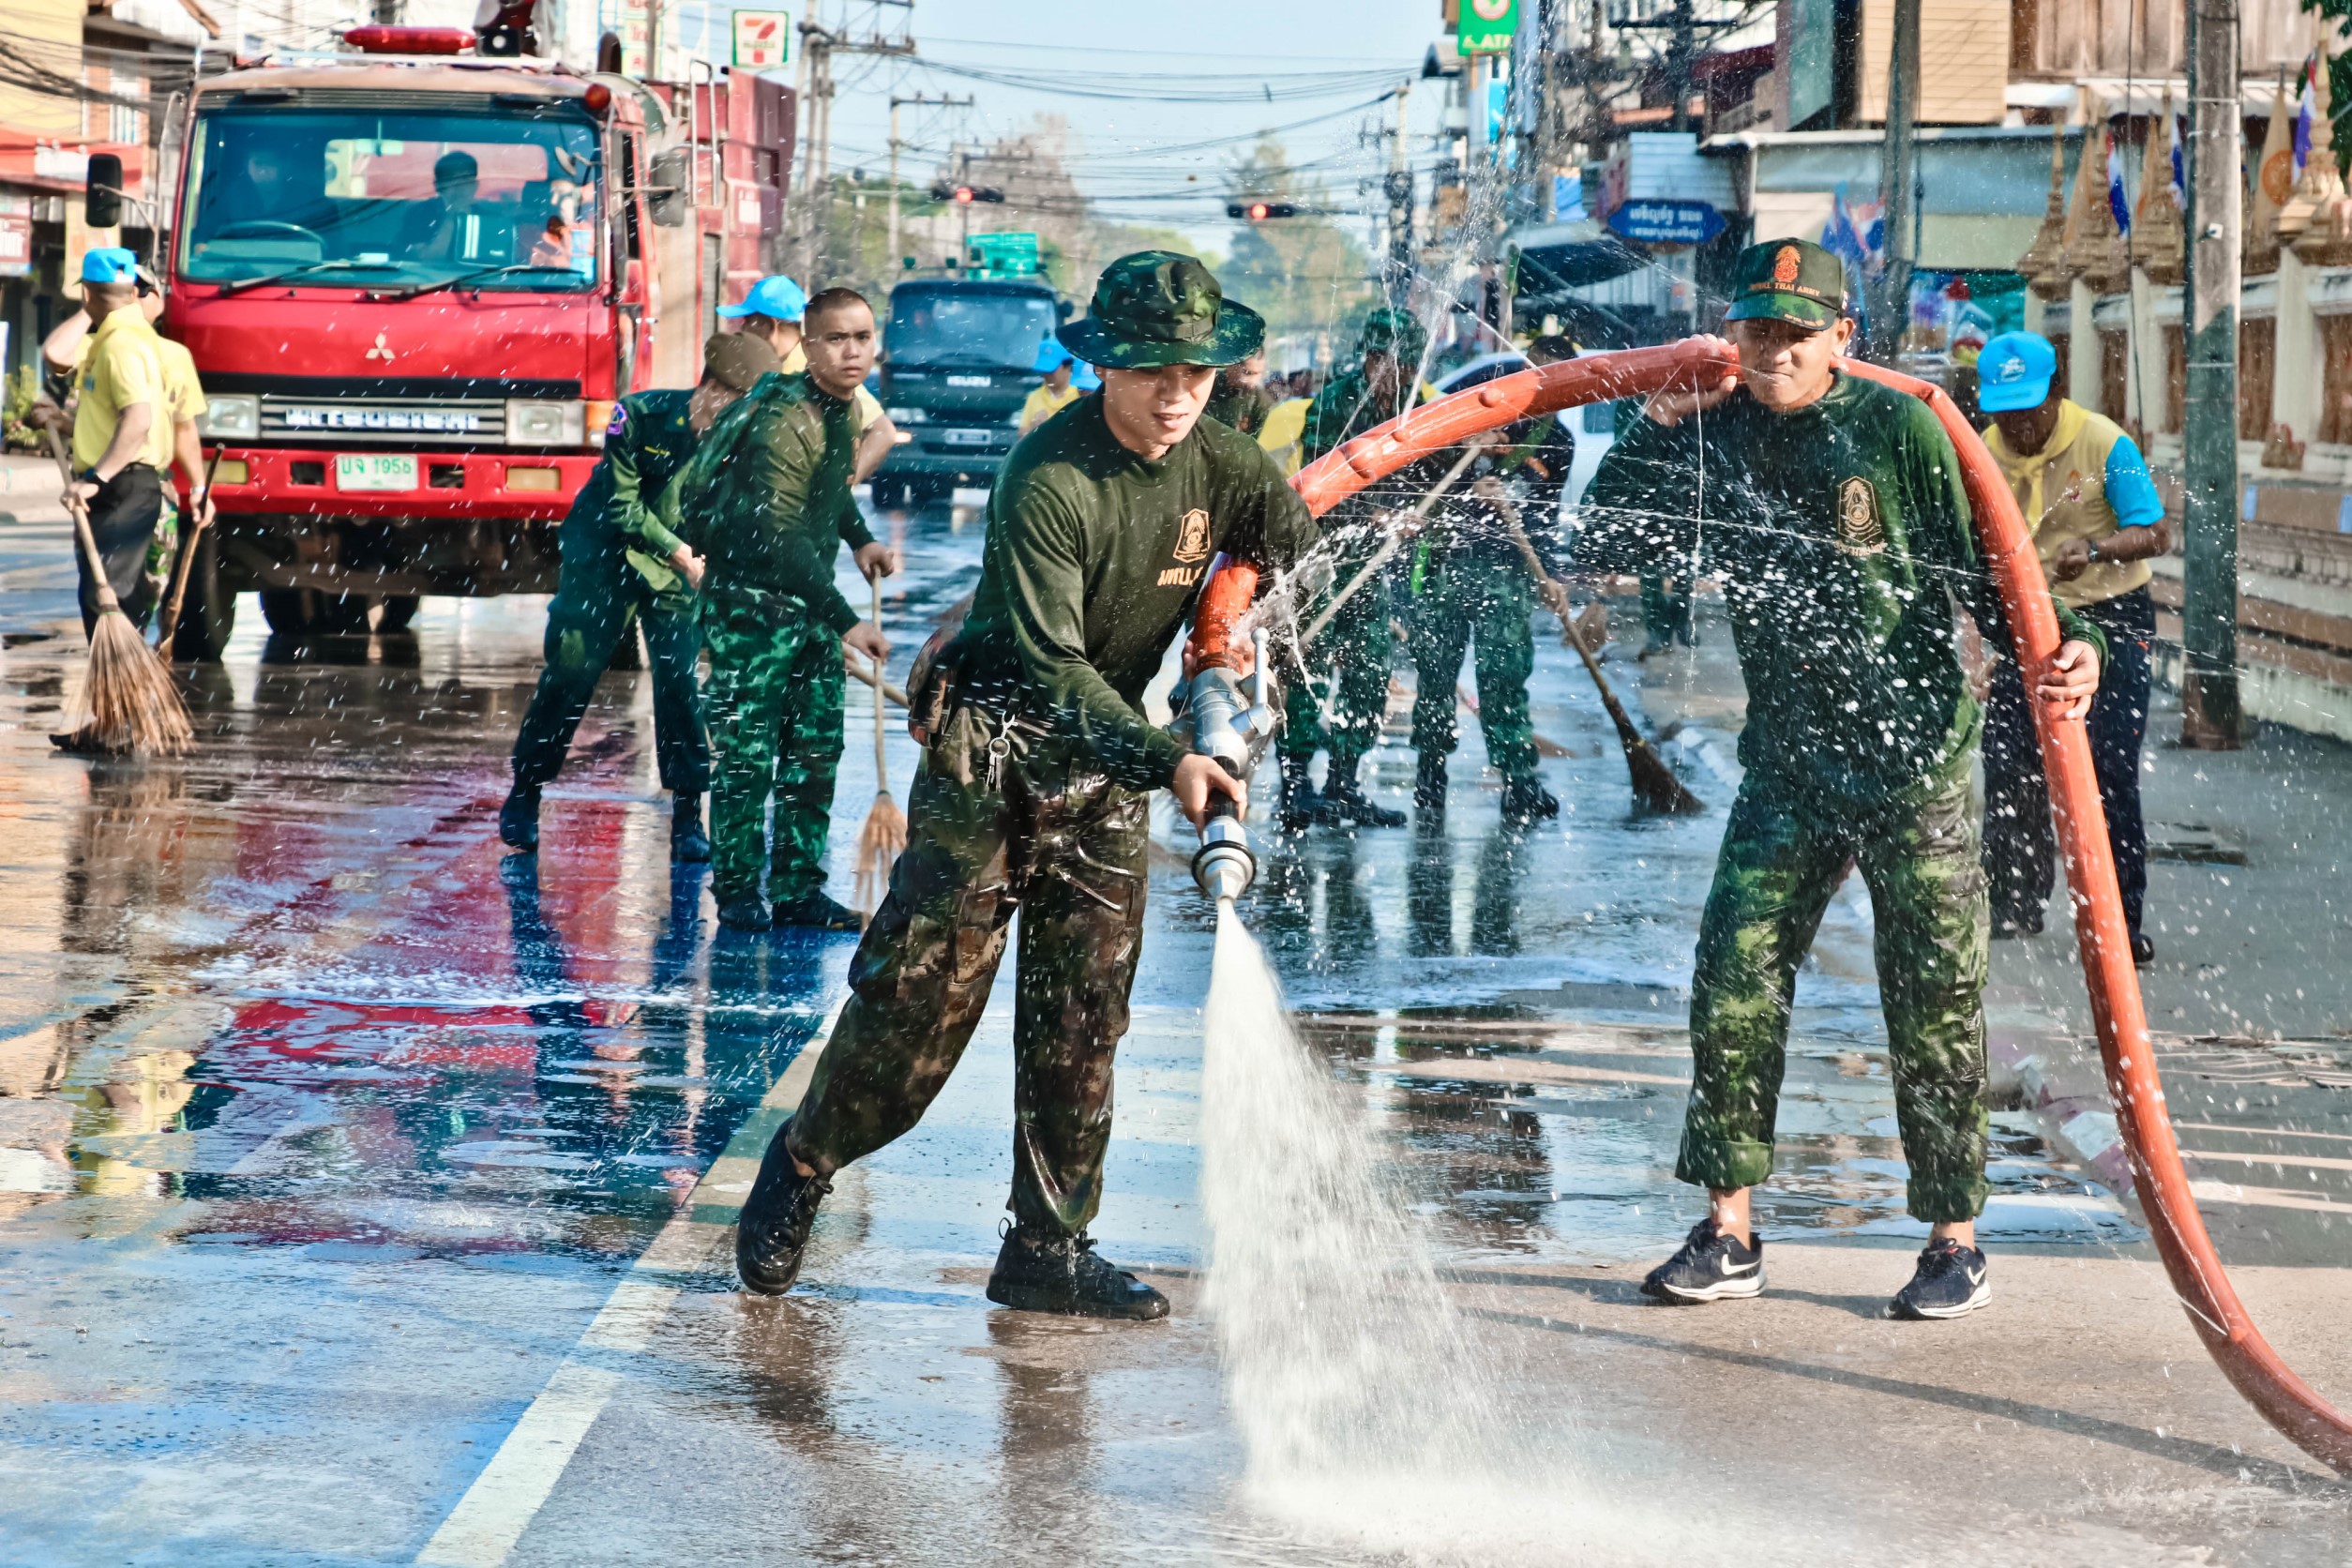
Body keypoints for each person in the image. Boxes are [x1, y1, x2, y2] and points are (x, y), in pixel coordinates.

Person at [732, 251, 1315, 1317]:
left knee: (1085, 1013)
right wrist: (1168, 755)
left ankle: (1048, 1245)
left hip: (1108, 772)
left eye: (1196, 371)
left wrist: (1230, 657)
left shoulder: (1224, 464)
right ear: (1106, 369)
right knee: (918, 1008)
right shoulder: (1049, 474)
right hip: (992, 758)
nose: (1178, 393)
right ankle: (806, 1161)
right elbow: (1052, 671)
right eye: (1153, 372)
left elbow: (1291, 553)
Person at [1576, 239, 2106, 1321]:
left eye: (1795, 334)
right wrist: (1658, 420)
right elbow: (1609, 534)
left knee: (1934, 999)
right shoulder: (1714, 429)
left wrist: (2069, 641)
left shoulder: (1899, 427)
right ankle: (1729, 1229)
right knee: (1732, 971)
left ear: (1841, 340)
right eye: (1756, 331)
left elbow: (1985, 566)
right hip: (1790, 764)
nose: (1772, 353)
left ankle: (1953, 1239)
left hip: (1914, 763)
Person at [498, 332, 779, 860]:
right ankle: (526, 791)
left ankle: (687, 815)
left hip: (677, 572)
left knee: (678, 683)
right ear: (715, 389)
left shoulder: (740, 445)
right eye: (738, 405)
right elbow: (623, 509)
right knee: (571, 673)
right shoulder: (638, 415)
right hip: (604, 556)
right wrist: (680, 553)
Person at [677, 287, 896, 932]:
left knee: (814, 750)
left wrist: (861, 541)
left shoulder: (843, 409)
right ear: (807, 346)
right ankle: (740, 891)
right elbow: (779, 532)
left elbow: (828, 490)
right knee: (747, 757)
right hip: (751, 608)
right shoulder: (784, 416)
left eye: (861, 337)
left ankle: (799, 890)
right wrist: (847, 618)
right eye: (835, 339)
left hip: (805, 605)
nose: (851, 351)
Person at [1975, 331, 2168, 964]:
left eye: (2028, 411)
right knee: (2008, 761)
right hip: (2030, 623)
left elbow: (2156, 532)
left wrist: (2097, 551)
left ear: (2056, 392)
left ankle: (2118, 923)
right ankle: (2013, 903)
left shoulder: (2104, 443)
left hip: (2113, 617)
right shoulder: (1982, 451)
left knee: (2109, 770)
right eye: (2004, 413)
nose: (2018, 427)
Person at [1277, 307, 1437, 831]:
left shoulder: (1411, 404)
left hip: (1373, 561)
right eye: (1397, 363)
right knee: (1312, 665)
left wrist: (1416, 508)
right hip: (1325, 558)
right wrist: (1377, 514)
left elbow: (1421, 472)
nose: (1405, 374)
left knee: (1370, 667)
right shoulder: (1335, 403)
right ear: (1373, 358)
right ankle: (1296, 782)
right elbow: (1323, 485)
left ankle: (1345, 783)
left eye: (1411, 365)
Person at [1409, 335, 1578, 822]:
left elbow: (1546, 513)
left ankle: (1518, 782)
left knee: (1504, 677)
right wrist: (1465, 449)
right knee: (1436, 674)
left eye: (1556, 381)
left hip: (1507, 572)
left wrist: (1550, 573)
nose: (1544, 387)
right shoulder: (1482, 402)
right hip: (1448, 563)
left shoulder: (1558, 440)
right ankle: (1429, 774)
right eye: (1537, 373)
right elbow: (1426, 452)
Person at [58, 249, 173, 635]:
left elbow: (139, 419)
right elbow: (55, 355)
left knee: (106, 595)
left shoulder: (122, 344)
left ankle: (123, 687)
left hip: (124, 483)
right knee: (104, 592)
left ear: (87, 295)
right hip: (116, 484)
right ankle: (115, 686)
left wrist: (96, 478)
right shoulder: (115, 339)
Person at [720, 274, 899, 485]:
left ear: (770, 326)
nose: (743, 330)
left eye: (748, 322)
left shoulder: (816, 369)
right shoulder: (776, 372)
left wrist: (839, 489)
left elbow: (883, 432)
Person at [409, 151, 487, 264]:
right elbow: (426, 258)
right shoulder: (419, 214)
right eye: (451, 180)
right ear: (438, 186)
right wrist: (451, 217)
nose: (459, 187)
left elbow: (492, 264)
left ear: (475, 185)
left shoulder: (489, 218)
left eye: (465, 180)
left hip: (479, 279)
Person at [1205, 350, 1274, 436]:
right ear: (1231, 365)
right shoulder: (1205, 384)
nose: (1252, 382)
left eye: (1259, 373)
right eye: (1247, 373)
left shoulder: (1262, 403)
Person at [1020, 342, 1081, 432]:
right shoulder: (1034, 397)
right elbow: (1022, 435)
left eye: (1051, 369)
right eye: (1044, 369)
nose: (1047, 375)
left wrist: (1048, 428)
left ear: (1067, 366)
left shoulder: (1080, 395)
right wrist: (1033, 429)